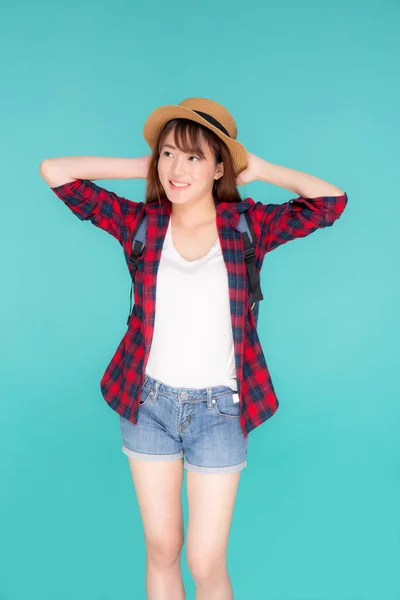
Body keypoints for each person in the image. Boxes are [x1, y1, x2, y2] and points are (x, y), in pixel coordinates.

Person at [39, 97, 348, 600]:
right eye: (168, 155)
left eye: (194, 157)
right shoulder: (140, 222)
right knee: (162, 550)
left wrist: (261, 168)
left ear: (221, 165)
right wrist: (143, 166)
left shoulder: (247, 226)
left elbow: (330, 202)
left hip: (219, 411)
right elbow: (55, 172)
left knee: (205, 564)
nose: (176, 169)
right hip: (149, 405)